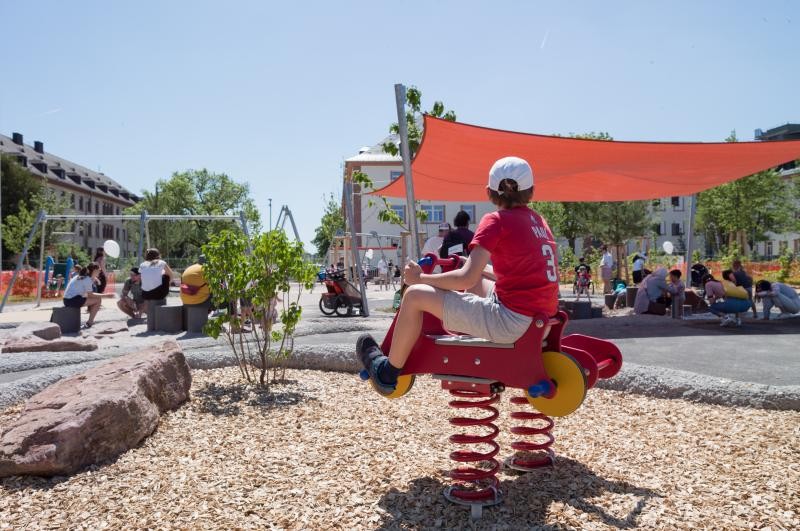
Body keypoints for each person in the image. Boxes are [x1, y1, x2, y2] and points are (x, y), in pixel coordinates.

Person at [356, 156, 559, 393]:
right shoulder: (539, 221)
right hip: (541, 319)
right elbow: (512, 275)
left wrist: (420, 278)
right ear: (531, 191)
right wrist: (475, 266)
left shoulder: (495, 221)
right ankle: (465, 330)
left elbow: (465, 279)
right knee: (480, 279)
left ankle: (387, 374)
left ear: (489, 192)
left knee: (414, 295)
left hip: (511, 323)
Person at [62, 263, 114, 328]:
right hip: (72, 300)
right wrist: (107, 295)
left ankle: (89, 322)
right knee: (98, 300)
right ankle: (90, 322)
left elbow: (87, 294)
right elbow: (91, 295)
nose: (100, 272)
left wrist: (94, 279)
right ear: (94, 271)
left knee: (93, 298)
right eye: (99, 270)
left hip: (67, 299)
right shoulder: (87, 279)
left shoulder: (82, 276)